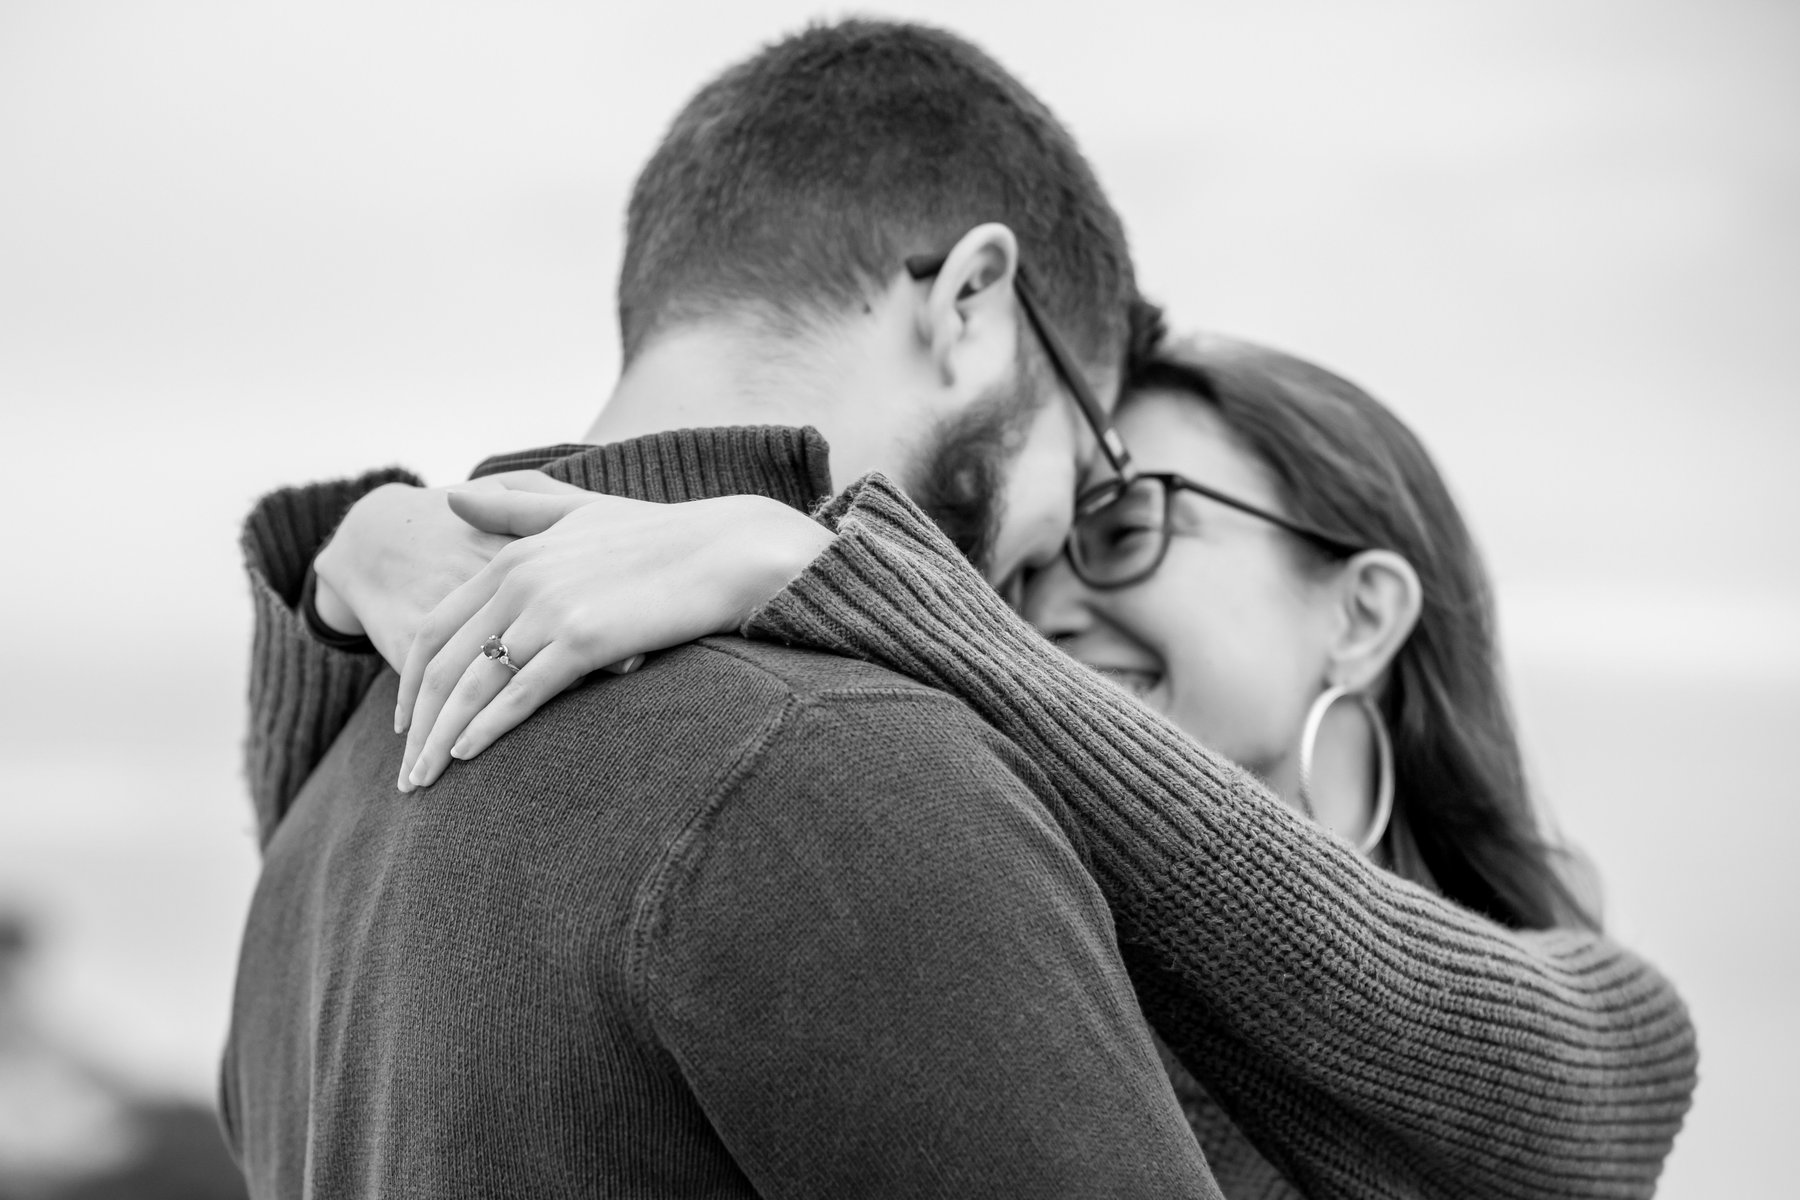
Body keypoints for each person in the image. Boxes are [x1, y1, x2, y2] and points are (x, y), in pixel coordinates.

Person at [282, 334, 1698, 1197]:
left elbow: (1544, 1112)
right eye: (1034, 555)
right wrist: (343, 558)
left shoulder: (1594, 1015)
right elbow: (351, 895)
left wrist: (833, 573)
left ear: (1364, 612)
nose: (1047, 601)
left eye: (1126, 528)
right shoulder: (1007, 928)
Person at [224, 20, 1225, 1199]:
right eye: (1090, 460)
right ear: (970, 302)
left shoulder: (319, 831)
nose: (1052, 571)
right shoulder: (847, 758)